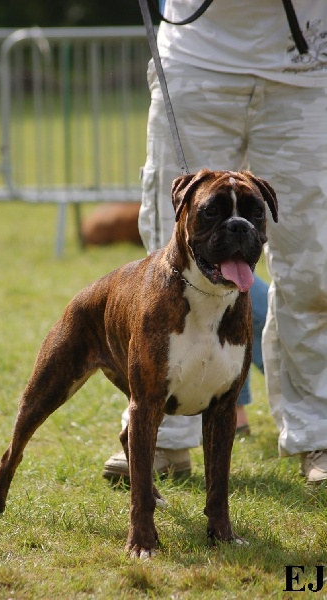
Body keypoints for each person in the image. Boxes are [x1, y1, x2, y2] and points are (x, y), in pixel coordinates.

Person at [103, 0, 327, 484]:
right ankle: (162, 440)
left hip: (309, 68)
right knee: (167, 262)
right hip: (197, 58)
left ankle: (319, 434)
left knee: (317, 270)